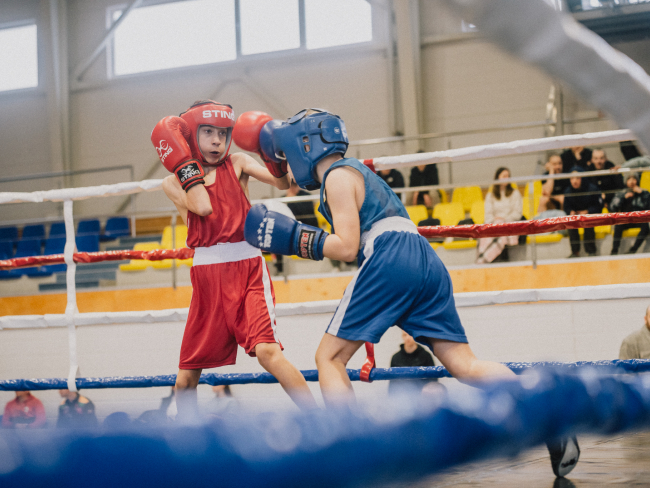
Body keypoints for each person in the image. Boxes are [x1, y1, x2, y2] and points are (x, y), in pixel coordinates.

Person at [239, 108, 579, 478]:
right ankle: (549, 420)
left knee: (329, 359)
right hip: (424, 260)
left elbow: (348, 246)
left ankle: (353, 455)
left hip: (389, 257)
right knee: (464, 364)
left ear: (304, 145)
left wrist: (296, 238)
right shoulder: (358, 171)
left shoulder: (336, 177)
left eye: (288, 153)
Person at [152, 101, 316, 418]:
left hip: (248, 269)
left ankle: (322, 420)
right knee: (187, 377)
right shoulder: (172, 182)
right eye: (208, 132)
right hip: (207, 278)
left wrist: (276, 153)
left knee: (268, 351)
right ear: (188, 137)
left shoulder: (238, 162)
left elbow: (284, 183)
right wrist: (185, 161)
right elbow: (202, 206)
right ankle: (186, 442)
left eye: (222, 133)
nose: (216, 140)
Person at [476, 167, 522, 264]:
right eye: (504, 176)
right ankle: (486, 258)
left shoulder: (515, 193)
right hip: (493, 223)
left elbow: (517, 213)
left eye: (508, 176)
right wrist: (495, 220)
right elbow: (488, 214)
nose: (507, 178)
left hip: (508, 222)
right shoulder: (490, 195)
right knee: (486, 229)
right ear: (498, 177)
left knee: (500, 227)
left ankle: (487, 258)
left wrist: (504, 219)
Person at [563, 167, 602, 258]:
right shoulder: (568, 191)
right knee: (571, 223)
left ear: (582, 178)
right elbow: (566, 207)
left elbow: (599, 207)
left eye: (577, 178)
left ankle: (591, 251)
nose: (574, 181)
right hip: (577, 216)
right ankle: (575, 252)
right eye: (572, 178)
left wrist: (587, 211)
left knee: (587, 222)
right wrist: (571, 212)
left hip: (590, 215)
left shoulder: (593, 189)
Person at [388, 331, 440, 396]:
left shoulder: (426, 356)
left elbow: (433, 379)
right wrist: (391, 399)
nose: (408, 338)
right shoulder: (395, 357)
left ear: (415, 336)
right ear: (402, 336)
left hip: (422, 397)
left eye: (410, 335)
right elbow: (392, 382)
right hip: (402, 398)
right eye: (405, 335)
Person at [609, 173, 650, 255]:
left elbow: (648, 206)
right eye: (629, 179)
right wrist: (623, 198)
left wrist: (642, 194)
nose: (632, 182)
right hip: (626, 219)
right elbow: (612, 208)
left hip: (639, 219)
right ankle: (614, 251)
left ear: (637, 181)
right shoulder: (621, 193)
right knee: (618, 225)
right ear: (626, 181)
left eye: (634, 179)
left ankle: (633, 249)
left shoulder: (644, 192)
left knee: (646, 226)